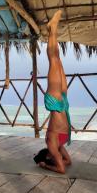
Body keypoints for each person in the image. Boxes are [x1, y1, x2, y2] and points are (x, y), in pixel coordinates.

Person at [33, 10, 71, 174]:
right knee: (58, 59)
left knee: (53, 60)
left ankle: (52, 28)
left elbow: (63, 165)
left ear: (48, 156)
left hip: (55, 103)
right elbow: (66, 164)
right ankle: (52, 29)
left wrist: (45, 166)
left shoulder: (53, 145)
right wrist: (49, 164)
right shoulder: (56, 146)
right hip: (63, 103)